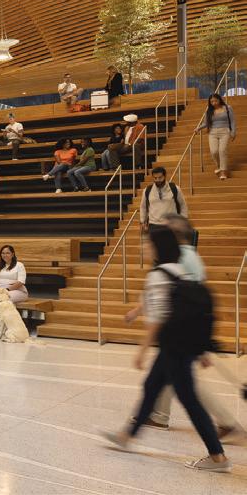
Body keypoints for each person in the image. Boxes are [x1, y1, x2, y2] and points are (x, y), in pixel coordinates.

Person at [102, 227, 230, 472]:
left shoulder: (158, 275)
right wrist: (201, 350)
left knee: (189, 400)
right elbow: (192, 314)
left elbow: (158, 319)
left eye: (146, 243)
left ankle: (218, 457)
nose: (143, 247)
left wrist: (142, 350)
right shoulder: (180, 271)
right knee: (151, 387)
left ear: (157, 246)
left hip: (173, 348)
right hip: (180, 345)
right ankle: (126, 436)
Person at [128, 215, 243, 440]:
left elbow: (188, 297)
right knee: (169, 376)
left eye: (166, 228)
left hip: (182, 329)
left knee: (186, 384)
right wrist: (138, 310)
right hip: (179, 329)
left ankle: (225, 423)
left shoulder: (185, 257)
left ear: (176, 232)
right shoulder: (180, 256)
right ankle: (159, 415)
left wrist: (201, 345)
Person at [196, 93, 236, 180]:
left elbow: (232, 121)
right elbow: (206, 123)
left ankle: (223, 172)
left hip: (225, 131)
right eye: (212, 101)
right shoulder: (209, 110)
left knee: (222, 150)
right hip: (212, 132)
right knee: (214, 151)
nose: (214, 103)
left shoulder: (227, 108)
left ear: (219, 100)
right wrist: (198, 128)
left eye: (215, 101)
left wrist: (233, 132)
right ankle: (219, 166)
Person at [140, 166, 188, 236]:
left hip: (171, 225)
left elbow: (183, 205)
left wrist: (183, 221)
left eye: (160, 177)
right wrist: (142, 221)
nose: (157, 180)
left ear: (165, 176)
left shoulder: (175, 188)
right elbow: (143, 207)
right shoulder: (147, 190)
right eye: (155, 178)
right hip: (153, 225)